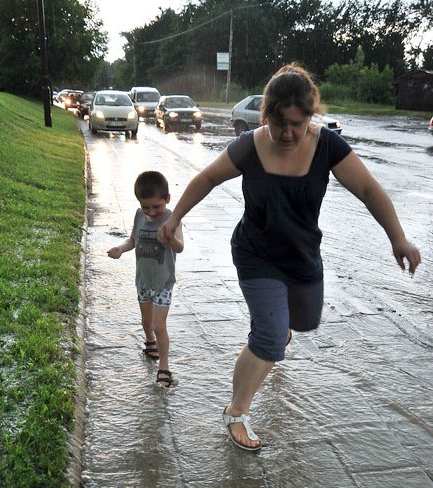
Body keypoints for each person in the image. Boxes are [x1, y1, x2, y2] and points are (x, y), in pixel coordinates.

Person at [158, 63, 421, 450]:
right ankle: (236, 412)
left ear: (310, 118)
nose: (288, 133)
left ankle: (277, 328)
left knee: (304, 321)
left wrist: (398, 237)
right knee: (268, 338)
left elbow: (368, 189)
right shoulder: (250, 144)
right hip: (256, 253)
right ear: (267, 115)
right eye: (280, 123)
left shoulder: (327, 146)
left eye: (298, 124)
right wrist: (175, 217)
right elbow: (207, 178)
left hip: (302, 256)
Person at [107, 170, 184, 388]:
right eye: (145, 207)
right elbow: (133, 239)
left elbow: (180, 247)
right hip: (143, 280)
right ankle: (150, 342)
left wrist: (170, 239)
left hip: (163, 282)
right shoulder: (139, 216)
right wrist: (120, 249)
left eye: (155, 206)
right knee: (146, 322)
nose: (150, 212)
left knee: (160, 326)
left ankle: (165, 368)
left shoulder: (172, 219)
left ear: (167, 199)